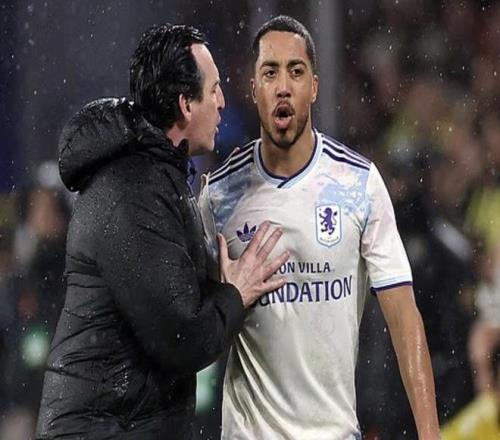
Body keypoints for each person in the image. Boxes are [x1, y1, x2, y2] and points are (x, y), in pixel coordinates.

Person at [35, 24, 288, 440]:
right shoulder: (134, 192)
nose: (222, 102)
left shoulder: (153, 177)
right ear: (185, 104)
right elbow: (182, 338)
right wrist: (236, 293)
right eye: (214, 89)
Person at [199, 15, 440, 439]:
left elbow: (405, 319)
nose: (283, 86)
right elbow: (187, 327)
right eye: (270, 73)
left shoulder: (359, 185)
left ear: (314, 86)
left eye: (296, 71)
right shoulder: (219, 197)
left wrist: (430, 435)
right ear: (253, 88)